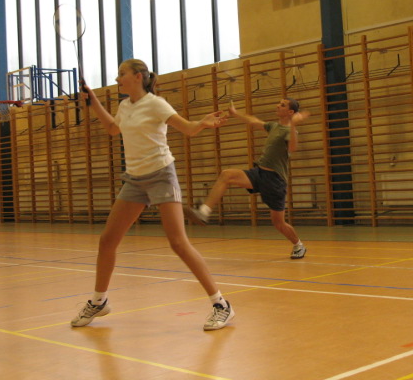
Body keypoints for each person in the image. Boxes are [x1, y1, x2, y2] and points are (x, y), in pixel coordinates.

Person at [71, 59, 234, 331]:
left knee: (178, 243)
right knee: (107, 240)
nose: (117, 78)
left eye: (122, 74)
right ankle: (99, 301)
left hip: (160, 175)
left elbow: (188, 129)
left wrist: (202, 123)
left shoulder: (156, 104)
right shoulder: (125, 106)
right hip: (135, 179)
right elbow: (113, 128)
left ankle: (221, 305)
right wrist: (93, 102)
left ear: (138, 76)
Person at [184, 98, 309, 259]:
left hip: (275, 181)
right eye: (278, 103)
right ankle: (203, 212)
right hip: (259, 173)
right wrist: (236, 114)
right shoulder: (274, 126)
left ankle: (298, 245)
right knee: (226, 175)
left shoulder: (290, 131)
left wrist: (293, 125)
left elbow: (292, 148)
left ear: (290, 112)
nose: (277, 105)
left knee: (278, 223)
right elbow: (254, 121)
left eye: (282, 105)